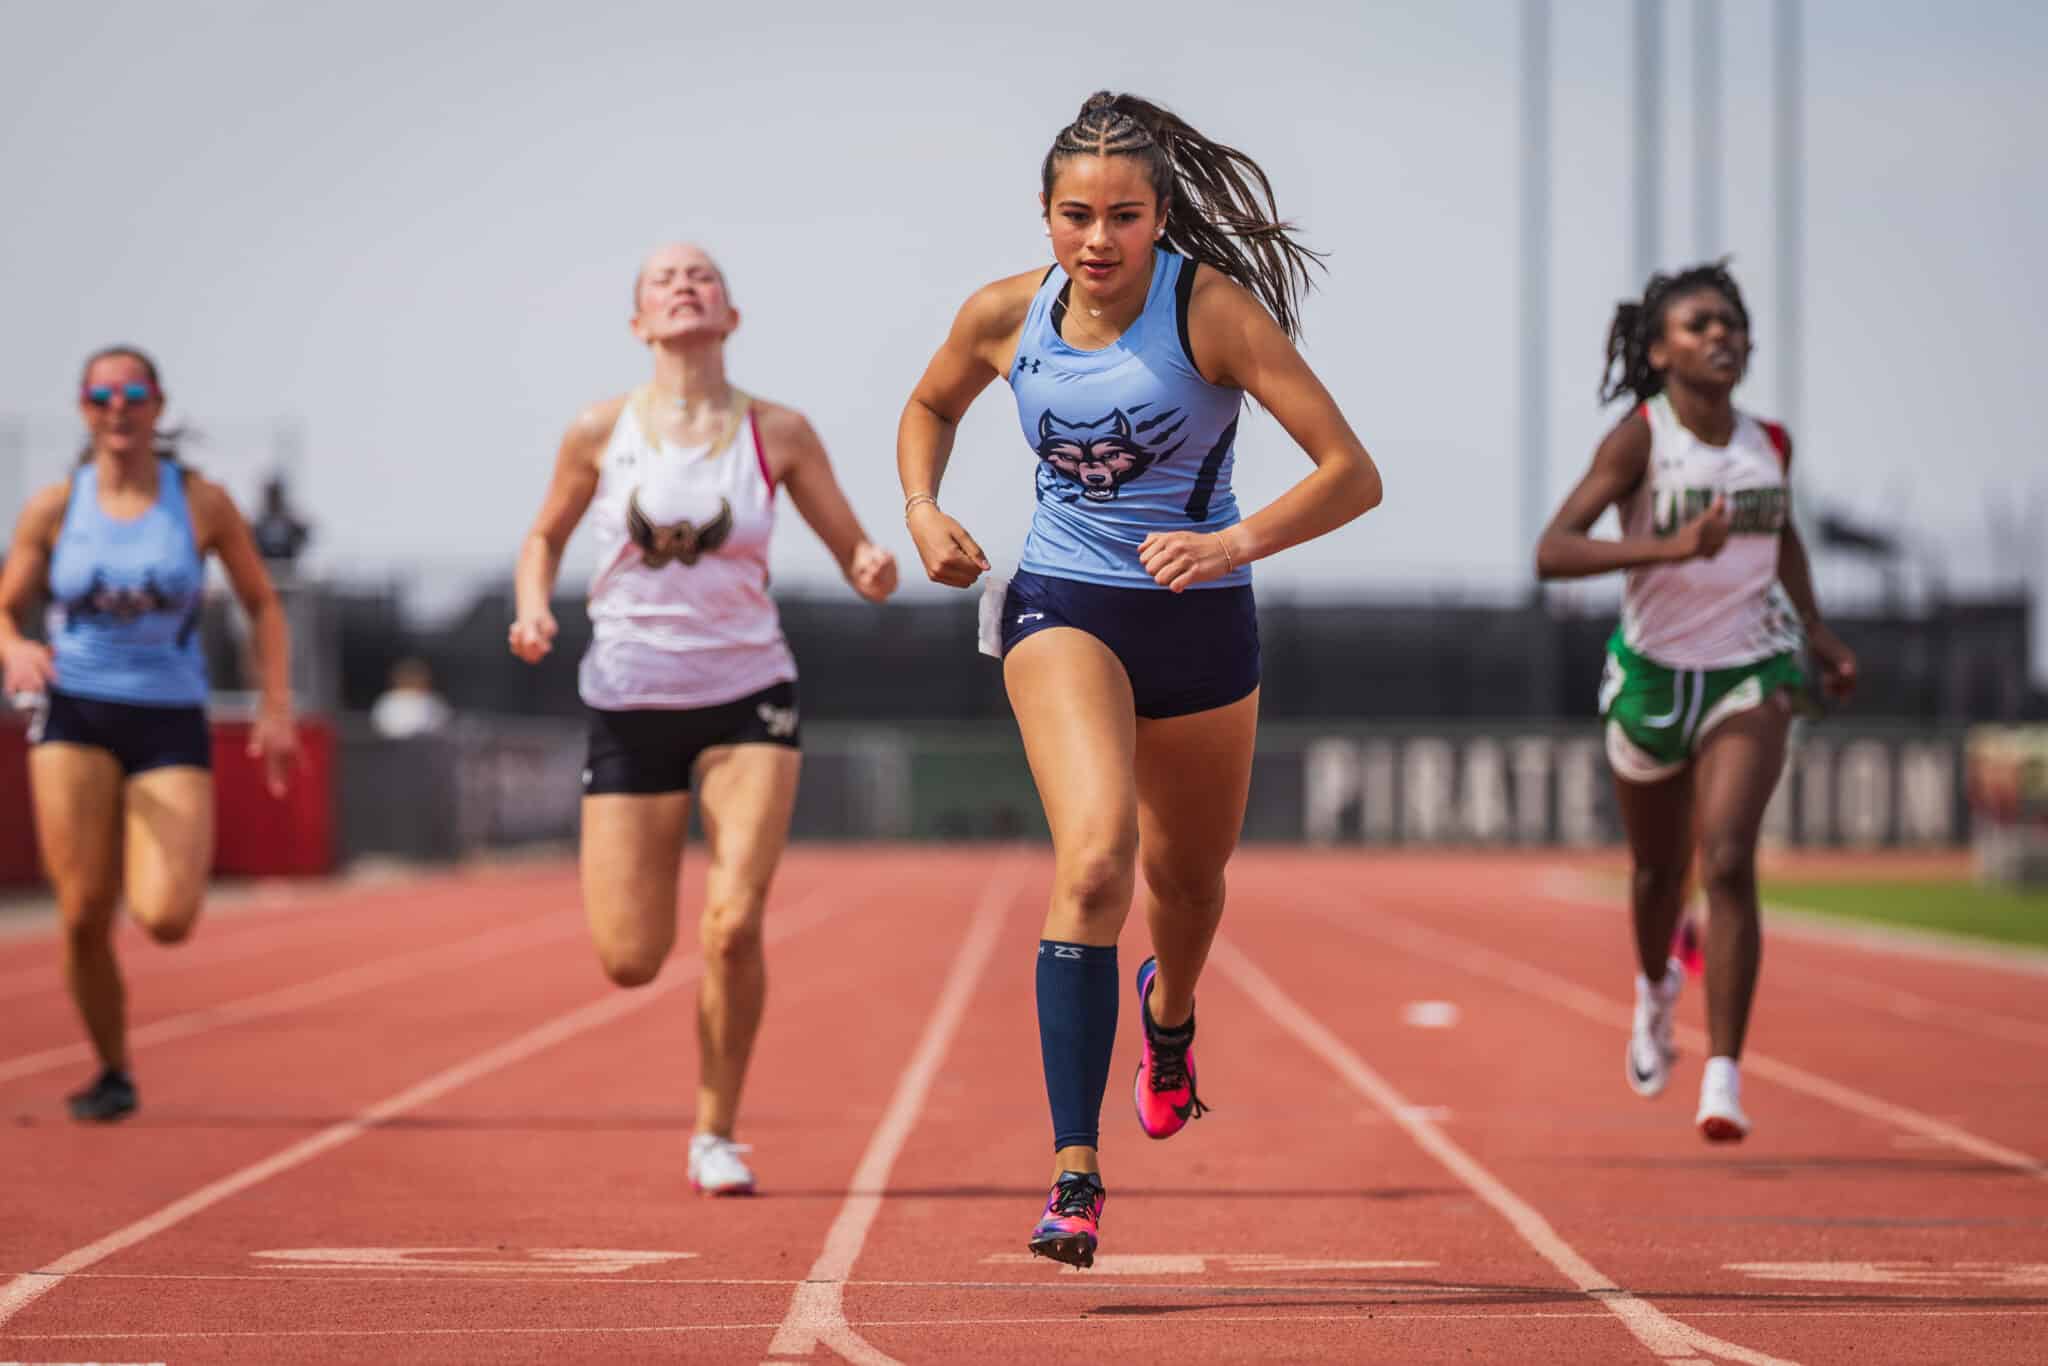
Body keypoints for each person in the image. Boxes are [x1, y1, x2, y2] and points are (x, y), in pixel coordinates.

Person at [897, 91, 1382, 1266]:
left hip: (1201, 616)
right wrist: (922, 506)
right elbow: (927, 404)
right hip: (1062, 603)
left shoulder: (1210, 311)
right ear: (1045, 215)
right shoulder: (1004, 313)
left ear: (1162, 217)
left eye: (1123, 216)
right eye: (1076, 215)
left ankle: (1169, 1021)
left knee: (1190, 881)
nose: (1097, 241)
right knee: (1099, 856)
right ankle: (1074, 1171)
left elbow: (1349, 473)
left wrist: (1231, 542)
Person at [509, 242, 897, 1196]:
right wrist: (532, 603)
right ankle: (670, 1004)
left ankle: (715, 1133)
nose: (684, 286)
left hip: (747, 696)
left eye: (702, 277)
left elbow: (853, 546)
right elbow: (545, 534)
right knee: (633, 960)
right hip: (628, 700)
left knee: (730, 925)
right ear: (640, 322)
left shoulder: (781, 432)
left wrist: (872, 568)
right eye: (663, 280)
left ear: (730, 314)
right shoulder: (600, 430)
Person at [1535, 261, 1856, 1142]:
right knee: (1652, 876)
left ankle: (1724, 1075)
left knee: (1724, 861)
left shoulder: (1770, 443)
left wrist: (1818, 633)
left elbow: (1781, 532)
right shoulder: (1639, 439)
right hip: (1649, 674)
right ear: (1660, 349)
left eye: (1733, 323)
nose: (1722, 336)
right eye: (1700, 324)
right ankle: (1653, 991)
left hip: (1748, 671)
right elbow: (1552, 551)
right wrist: (1669, 549)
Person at [0, 345, 298, 1122]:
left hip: (168, 714)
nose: (119, 408)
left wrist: (274, 704)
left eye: (133, 394)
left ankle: (142, 855)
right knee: (80, 911)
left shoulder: (200, 501)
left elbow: (262, 603)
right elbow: (5, 607)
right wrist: (15, 645)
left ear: (159, 406)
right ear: (83, 410)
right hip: (76, 711)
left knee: (166, 917)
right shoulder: (54, 506)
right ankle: (112, 1068)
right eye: (102, 396)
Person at [369, 656, 451, 739]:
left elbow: (443, 725)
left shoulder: (433, 700)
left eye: (418, 676)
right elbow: (382, 727)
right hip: (393, 746)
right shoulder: (387, 700)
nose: (414, 680)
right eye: (409, 676)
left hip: (428, 745)